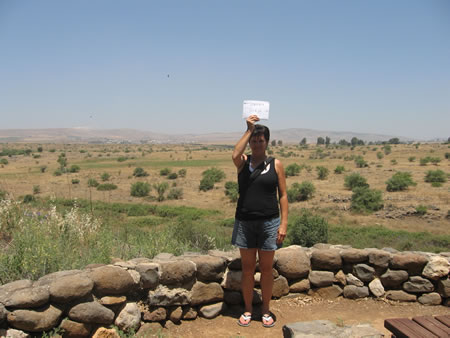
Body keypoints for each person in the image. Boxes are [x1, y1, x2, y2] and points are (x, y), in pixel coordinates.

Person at [231, 114, 288, 328]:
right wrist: (248, 129)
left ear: (267, 142)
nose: (256, 143)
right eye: (254, 140)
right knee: (247, 269)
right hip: (245, 222)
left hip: (269, 223)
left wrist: (283, 224)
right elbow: (235, 153)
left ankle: (265, 310)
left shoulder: (276, 164)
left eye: (260, 140)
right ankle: (247, 309)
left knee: (266, 269)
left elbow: (283, 195)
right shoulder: (243, 163)